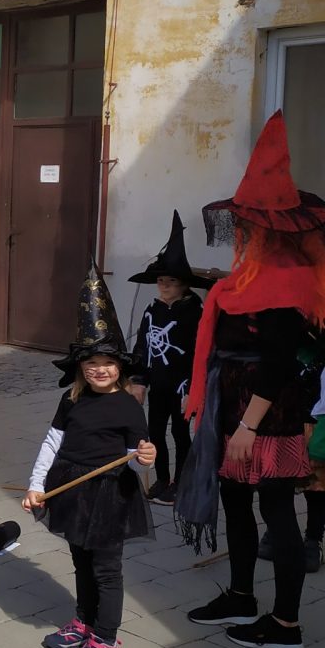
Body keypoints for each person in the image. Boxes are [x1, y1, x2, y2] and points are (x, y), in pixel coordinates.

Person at [177, 111, 325, 648]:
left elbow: (276, 364)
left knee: (275, 509)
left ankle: (286, 625)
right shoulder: (248, 280)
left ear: (269, 231)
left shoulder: (285, 285)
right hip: (235, 406)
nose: (242, 234)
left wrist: (248, 427)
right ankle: (242, 596)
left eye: (248, 225)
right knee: (235, 500)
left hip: (264, 415)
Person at [22, 265, 156, 648]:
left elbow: (137, 455)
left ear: (120, 367)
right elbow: (52, 443)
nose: (100, 369)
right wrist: (36, 485)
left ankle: (107, 641)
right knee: (80, 560)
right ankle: (85, 620)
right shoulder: (72, 399)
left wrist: (145, 457)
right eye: (92, 363)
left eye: (108, 363)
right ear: (80, 366)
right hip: (72, 488)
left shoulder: (128, 406)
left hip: (110, 495)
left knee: (106, 569)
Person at [127, 211, 205, 504]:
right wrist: (138, 381)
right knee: (155, 432)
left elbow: (201, 353)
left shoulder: (196, 313)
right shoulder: (152, 310)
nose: (164, 286)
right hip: (158, 384)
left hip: (183, 386)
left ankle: (180, 482)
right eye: (160, 280)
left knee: (181, 434)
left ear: (184, 284)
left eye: (171, 281)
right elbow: (143, 347)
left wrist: (194, 390)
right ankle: (162, 478)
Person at [258, 332, 325, 573]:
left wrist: (319, 449)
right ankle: (277, 531)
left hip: (313, 433)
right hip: (281, 432)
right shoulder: (282, 357)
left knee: (315, 491)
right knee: (278, 487)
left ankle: (313, 541)